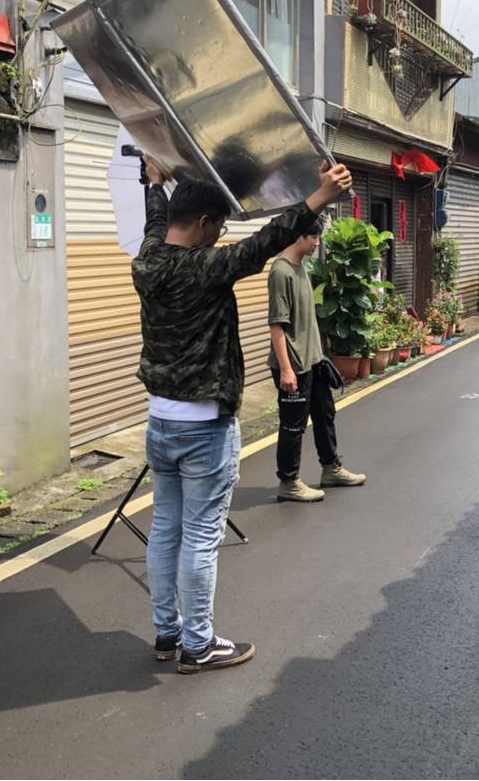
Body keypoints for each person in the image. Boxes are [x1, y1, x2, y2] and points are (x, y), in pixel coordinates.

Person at [133, 156, 353, 674]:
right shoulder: (207, 267)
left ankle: (168, 634)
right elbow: (264, 244)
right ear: (207, 224)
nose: (222, 236)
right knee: (201, 538)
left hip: (159, 423)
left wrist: (153, 183)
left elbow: (154, 227)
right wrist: (317, 198)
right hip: (204, 427)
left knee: (166, 529)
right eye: (220, 226)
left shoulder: (147, 262)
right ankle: (199, 644)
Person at [268, 221, 367, 502]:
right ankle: (288, 482)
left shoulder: (301, 268)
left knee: (325, 414)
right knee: (292, 425)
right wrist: (286, 369)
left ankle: (331, 468)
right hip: (293, 365)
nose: (317, 243)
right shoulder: (281, 272)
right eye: (313, 238)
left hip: (313, 360)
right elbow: (277, 326)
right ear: (299, 236)